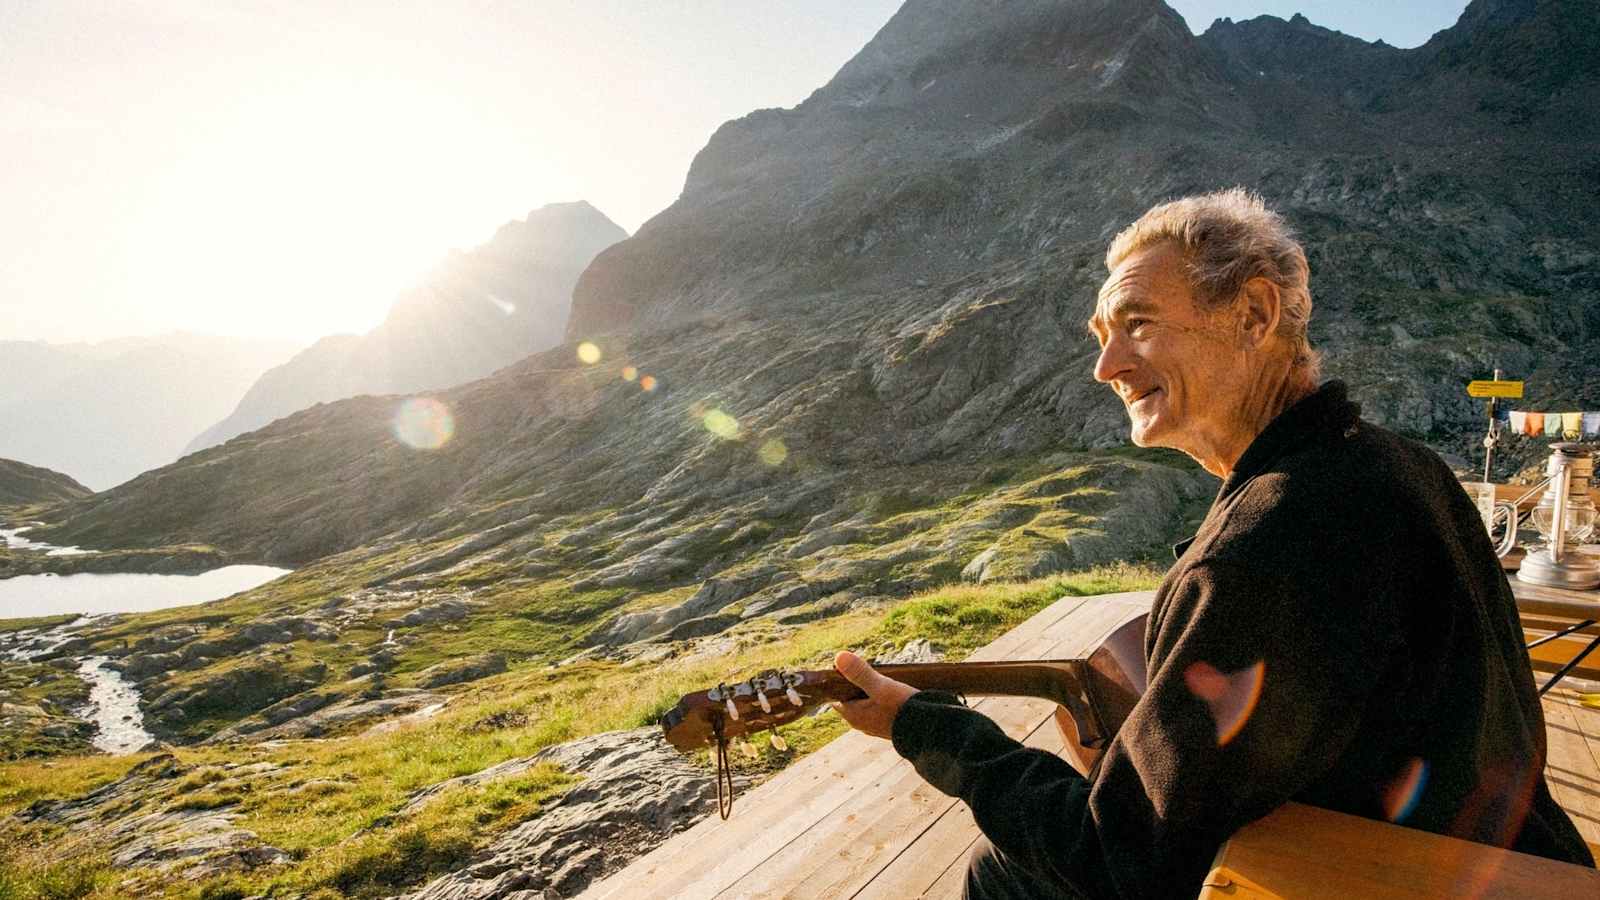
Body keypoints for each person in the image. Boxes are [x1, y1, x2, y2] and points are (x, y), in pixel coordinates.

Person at [829, 189, 1595, 899]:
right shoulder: (1398, 464)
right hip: (1510, 860)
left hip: (1380, 880)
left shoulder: (1274, 540)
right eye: (1101, 337)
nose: (1106, 367)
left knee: (1005, 876)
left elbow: (1118, 858)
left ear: (1255, 314)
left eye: (1138, 324)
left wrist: (921, 723)